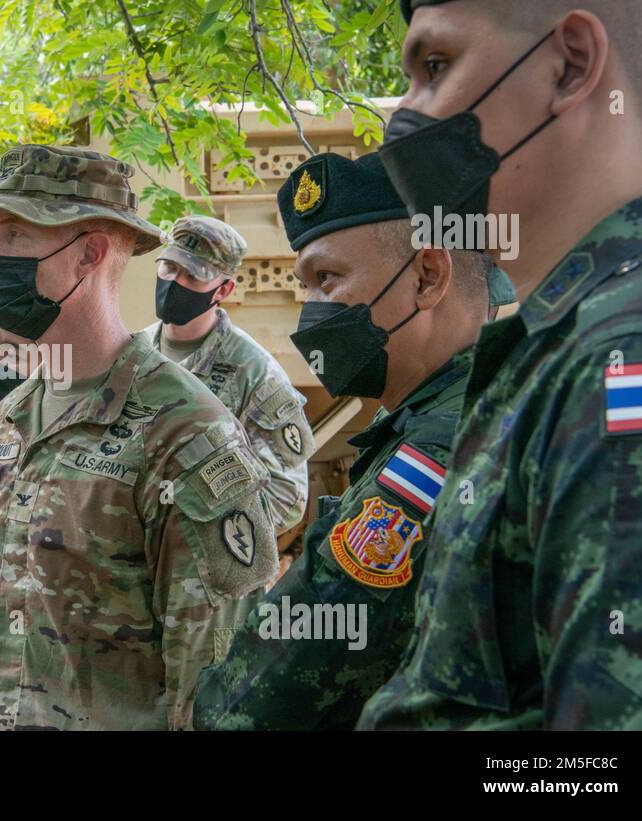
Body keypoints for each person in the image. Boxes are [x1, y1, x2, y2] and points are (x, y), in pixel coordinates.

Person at [358, 0, 642, 729]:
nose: (402, 117)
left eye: (434, 67)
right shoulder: (562, 340)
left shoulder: (634, 352)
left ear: (572, 65)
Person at [0, 144, 280, 730]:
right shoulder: (8, 420)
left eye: (15, 236)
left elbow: (215, 686)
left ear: (88, 254)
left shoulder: (186, 434)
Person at [193, 153, 507, 729]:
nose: (309, 309)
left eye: (327, 279)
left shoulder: (433, 456)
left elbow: (261, 700)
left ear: (427, 277)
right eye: (304, 284)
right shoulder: (492, 407)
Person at [146, 215, 313, 536]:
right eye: (169, 268)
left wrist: (190, 534)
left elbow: (287, 497)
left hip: (201, 570)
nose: (175, 283)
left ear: (224, 289)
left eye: (193, 276)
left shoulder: (255, 372)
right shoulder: (133, 354)